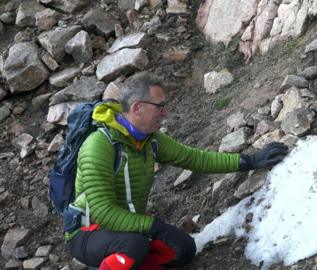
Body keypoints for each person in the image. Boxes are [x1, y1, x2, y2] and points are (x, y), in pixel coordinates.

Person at [66, 71, 288, 270]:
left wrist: (250, 161)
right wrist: (155, 227)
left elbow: (195, 159)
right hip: (88, 231)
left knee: (182, 250)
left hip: (129, 228)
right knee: (134, 245)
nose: (165, 113)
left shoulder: (149, 140)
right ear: (137, 108)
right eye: (159, 106)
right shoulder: (99, 146)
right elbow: (103, 212)